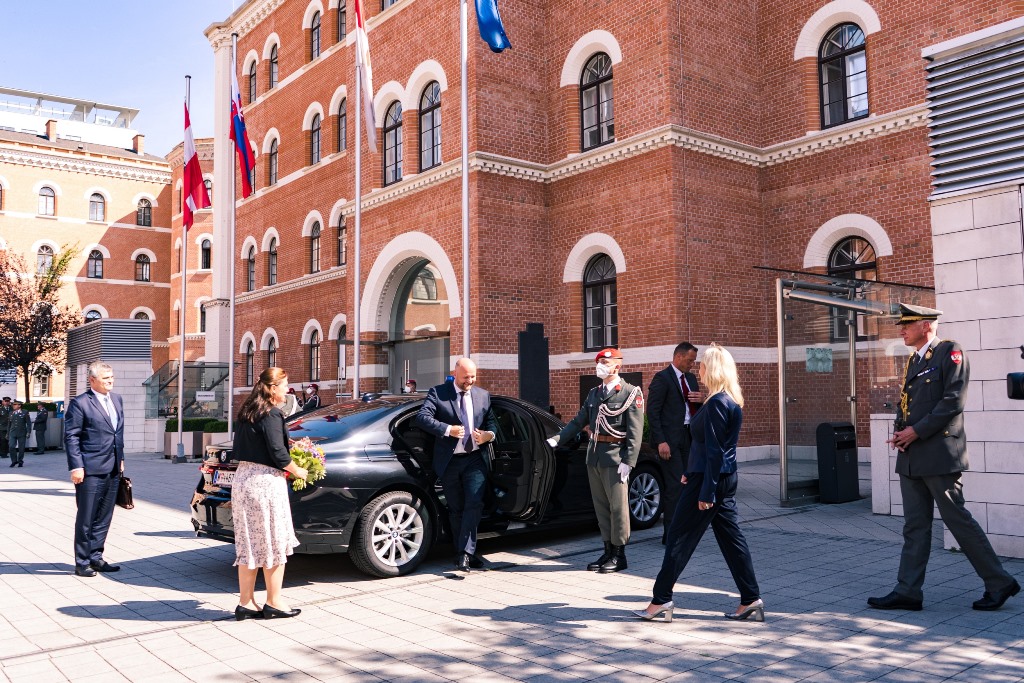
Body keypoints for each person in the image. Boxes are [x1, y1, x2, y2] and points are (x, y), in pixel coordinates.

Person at [869, 304, 1020, 612]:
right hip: (912, 455)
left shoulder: (950, 352)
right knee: (915, 526)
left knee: (957, 520)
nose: (902, 329)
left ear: (926, 325)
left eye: (907, 324)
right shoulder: (914, 359)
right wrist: (900, 431)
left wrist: (916, 431)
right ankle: (908, 591)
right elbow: (907, 402)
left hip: (938, 453)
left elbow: (953, 401)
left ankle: (999, 582)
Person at [635, 343, 763, 622]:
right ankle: (751, 598)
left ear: (712, 369)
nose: (699, 369)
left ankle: (660, 600)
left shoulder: (716, 404)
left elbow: (715, 451)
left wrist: (706, 491)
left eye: (702, 364)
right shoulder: (726, 400)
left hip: (709, 481)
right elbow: (707, 448)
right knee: (732, 540)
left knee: (679, 537)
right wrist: (690, 471)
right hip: (717, 477)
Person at [547, 348, 644, 574]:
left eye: (604, 363)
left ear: (617, 366)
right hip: (595, 456)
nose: (599, 367)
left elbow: (635, 431)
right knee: (601, 507)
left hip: (615, 457)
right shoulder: (594, 393)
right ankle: (607, 550)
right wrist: (556, 440)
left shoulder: (630, 393)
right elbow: (578, 422)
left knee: (618, 508)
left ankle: (619, 554)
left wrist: (628, 460)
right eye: (598, 363)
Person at [231, 367, 308, 620]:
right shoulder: (272, 413)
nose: (287, 390)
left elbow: (252, 445)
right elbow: (278, 453)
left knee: (250, 544)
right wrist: (299, 471)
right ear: (273, 388)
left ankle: (246, 603)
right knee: (273, 541)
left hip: (243, 480)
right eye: (284, 385)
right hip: (265, 483)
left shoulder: (247, 410)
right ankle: (274, 602)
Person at [415, 358, 498, 571]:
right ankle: (462, 552)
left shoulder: (483, 395)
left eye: (473, 377)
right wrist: (447, 429)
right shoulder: (438, 393)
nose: (469, 381)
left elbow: (492, 424)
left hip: (475, 459)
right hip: (450, 460)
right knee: (456, 508)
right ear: (455, 374)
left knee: (474, 504)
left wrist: (488, 435)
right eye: (465, 377)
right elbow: (422, 418)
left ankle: (465, 553)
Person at [65, 361, 125, 577]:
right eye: (105, 378)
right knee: (87, 517)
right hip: (89, 470)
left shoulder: (116, 399)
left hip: (113, 468)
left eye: (112, 377)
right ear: (92, 380)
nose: (110, 381)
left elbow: (117, 433)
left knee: (104, 517)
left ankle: (96, 557)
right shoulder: (80, 403)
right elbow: (71, 437)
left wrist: (121, 459)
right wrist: (76, 466)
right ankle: (82, 562)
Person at [647, 342, 704, 542]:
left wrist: (702, 399)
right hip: (670, 442)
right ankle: (671, 535)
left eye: (694, 361)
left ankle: (684, 529)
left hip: (690, 438)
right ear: (678, 357)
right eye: (689, 360)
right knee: (675, 486)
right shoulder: (662, 378)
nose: (692, 364)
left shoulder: (691, 379)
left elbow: (695, 409)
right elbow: (652, 412)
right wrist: (661, 441)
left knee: (689, 484)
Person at [8, 400, 31, 467]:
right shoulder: (11, 413)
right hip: (12, 432)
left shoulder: (25, 412)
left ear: (19, 405)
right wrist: (7, 433)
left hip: (22, 432)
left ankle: (20, 461)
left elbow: (28, 423)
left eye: (15, 404)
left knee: (21, 448)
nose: (13, 406)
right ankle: (14, 461)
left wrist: (28, 432)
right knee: (11, 446)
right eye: (13, 404)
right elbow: (9, 424)